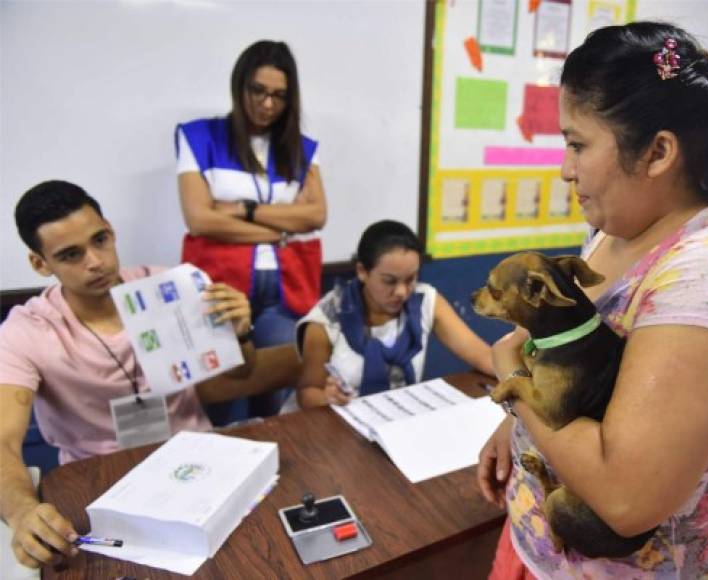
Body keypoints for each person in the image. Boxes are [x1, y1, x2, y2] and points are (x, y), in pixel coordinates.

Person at [477, 23, 708, 578]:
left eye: (578, 144)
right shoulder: (620, 228)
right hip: (538, 549)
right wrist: (515, 427)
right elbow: (581, 370)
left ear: (658, 152)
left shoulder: (707, 279)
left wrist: (511, 375)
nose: (566, 168)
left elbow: (627, 497)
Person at [0, 181, 300, 569]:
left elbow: (242, 377)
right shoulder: (27, 331)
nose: (96, 261)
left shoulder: (169, 287)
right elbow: (4, 440)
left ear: (111, 230)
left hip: (200, 456)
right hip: (99, 480)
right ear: (41, 264)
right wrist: (22, 511)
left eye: (100, 239)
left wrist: (239, 332)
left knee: (265, 558)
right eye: (71, 254)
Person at [176, 40, 326, 421]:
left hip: (284, 288)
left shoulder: (301, 149)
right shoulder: (198, 138)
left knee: (281, 398)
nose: (267, 104)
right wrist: (278, 230)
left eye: (279, 95)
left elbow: (316, 215)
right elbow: (200, 220)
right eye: (258, 91)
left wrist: (245, 210)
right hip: (220, 287)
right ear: (240, 86)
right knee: (222, 400)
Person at [295, 220, 494, 408]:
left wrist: (520, 377)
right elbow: (307, 393)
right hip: (341, 424)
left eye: (410, 279)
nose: (401, 292)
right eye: (389, 281)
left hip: (397, 418)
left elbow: (484, 356)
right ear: (362, 271)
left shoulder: (424, 301)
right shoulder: (329, 316)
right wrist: (327, 398)